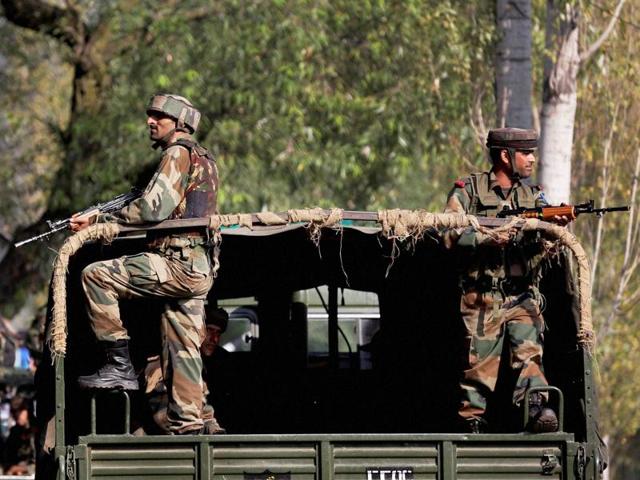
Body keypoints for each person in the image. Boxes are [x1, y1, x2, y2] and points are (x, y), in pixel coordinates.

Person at [70, 93, 219, 435]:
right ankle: (195, 425)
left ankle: (118, 363)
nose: (151, 121)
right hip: (198, 268)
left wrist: (101, 219)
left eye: (160, 117)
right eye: (150, 115)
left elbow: (153, 209)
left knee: (96, 276)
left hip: (176, 262)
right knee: (183, 348)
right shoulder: (204, 158)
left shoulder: (177, 153)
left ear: (179, 124)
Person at [443, 127, 566, 434]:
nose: (532, 160)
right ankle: (471, 425)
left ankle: (537, 408)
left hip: (520, 296)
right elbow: (448, 233)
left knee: (530, 354)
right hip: (482, 297)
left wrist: (556, 223)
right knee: (478, 370)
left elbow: (545, 234)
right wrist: (487, 238)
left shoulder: (533, 196)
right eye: (526, 153)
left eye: (533, 153)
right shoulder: (468, 190)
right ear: (504, 156)